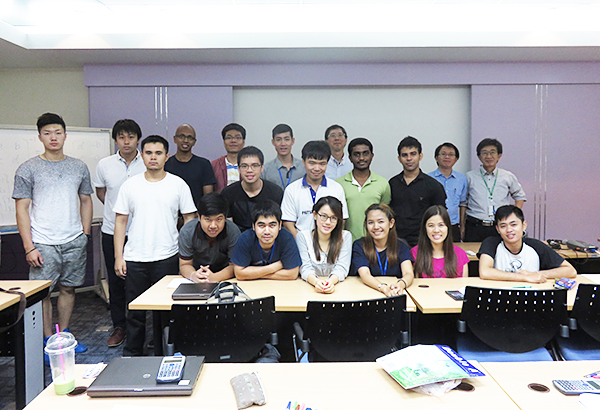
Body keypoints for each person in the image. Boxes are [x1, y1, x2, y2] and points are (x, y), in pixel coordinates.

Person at [13, 112, 93, 352]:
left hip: (73, 239)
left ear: (65, 135)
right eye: (47, 133)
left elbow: (86, 201)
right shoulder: (27, 168)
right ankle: (50, 341)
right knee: (43, 293)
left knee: (69, 288)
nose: (53, 137)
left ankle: (64, 335)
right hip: (43, 242)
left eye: (58, 132)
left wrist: (84, 234)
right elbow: (22, 208)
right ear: (40, 137)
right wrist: (29, 246)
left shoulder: (78, 166)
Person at [113, 135, 197, 356]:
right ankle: (133, 353)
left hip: (167, 256)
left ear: (166, 156)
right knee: (134, 312)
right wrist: (118, 256)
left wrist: (186, 255)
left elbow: (190, 220)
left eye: (158, 153)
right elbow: (120, 221)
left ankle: (166, 351)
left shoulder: (178, 184)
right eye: (149, 153)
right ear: (142, 156)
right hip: (135, 257)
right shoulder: (130, 185)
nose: (153, 157)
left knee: (167, 309)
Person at [94, 119, 146, 348]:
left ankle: (144, 329)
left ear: (138, 139)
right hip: (111, 231)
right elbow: (102, 193)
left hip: (141, 231)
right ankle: (120, 326)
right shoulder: (104, 164)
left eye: (131, 137)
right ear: (116, 140)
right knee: (116, 282)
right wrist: (119, 212)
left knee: (141, 282)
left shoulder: (147, 162)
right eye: (122, 137)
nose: (126, 141)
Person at [478, 205, 576, 283]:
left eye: (514, 225)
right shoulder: (491, 243)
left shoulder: (536, 246)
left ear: (524, 225)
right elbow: (485, 272)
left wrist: (536, 274)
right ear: (498, 229)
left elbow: (570, 271)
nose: (509, 230)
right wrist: (523, 277)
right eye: (503, 226)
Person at [461, 138, 527, 242]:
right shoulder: (469, 177)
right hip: (475, 226)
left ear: (499, 156)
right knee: (473, 256)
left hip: (499, 226)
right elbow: (463, 203)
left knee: (500, 255)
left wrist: (513, 217)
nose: (488, 156)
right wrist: (462, 226)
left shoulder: (507, 176)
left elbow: (520, 196)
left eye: (492, 152)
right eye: (484, 153)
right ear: (479, 156)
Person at [281, 140, 348, 237]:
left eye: (322, 164)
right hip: (300, 246)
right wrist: (303, 244)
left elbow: (342, 220)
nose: (317, 168)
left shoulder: (336, 188)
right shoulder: (292, 190)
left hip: (329, 246)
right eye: (312, 163)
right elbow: (288, 224)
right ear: (303, 162)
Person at [389, 136, 446, 247]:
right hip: (396, 242)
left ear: (420, 156)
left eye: (413, 154)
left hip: (424, 242)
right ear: (399, 158)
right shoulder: (392, 184)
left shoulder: (434, 186)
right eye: (405, 155)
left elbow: (440, 217)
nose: (409, 158)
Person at [351, 204, 414, 297]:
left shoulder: (401, 245)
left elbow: (408, 273)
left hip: (395, 293)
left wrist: (400, 285)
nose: (376, 227)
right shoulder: (359, 245)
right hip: (368, 294)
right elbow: (365, 275)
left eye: (380, 221)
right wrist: (383, 288)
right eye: (370, 222)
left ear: (391, 223)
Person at [231, 200, 301, 280]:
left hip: (280, 286)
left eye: (272, 225)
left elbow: (292, 274)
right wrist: (274, 267)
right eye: (261, 225)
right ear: (253, 226)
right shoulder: (245, 238)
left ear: (280, 225)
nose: (267, 231)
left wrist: (253, 274)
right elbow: (239, 274)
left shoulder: (287, 238)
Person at [178, 193, 241, 283]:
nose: (213, 226)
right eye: (208, 219)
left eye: (219, 219)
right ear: (199, 217)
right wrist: (193, 276)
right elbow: (184, 264)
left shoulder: (233, 231)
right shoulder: (187, 231)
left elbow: (234, 266)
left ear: (225, 217)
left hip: (224, 278)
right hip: (196, 276)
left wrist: (215, 277)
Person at [337, 137, 391, 241]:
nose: (361, 158)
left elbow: (385, 215)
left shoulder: (383, 183)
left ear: (372, 156)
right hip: (346, 243)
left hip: (376, 242)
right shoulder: (339, 184)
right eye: (357, 154)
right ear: (350, 158)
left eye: (365, 153)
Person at [296, 196, 352, 293]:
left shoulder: (345, 236)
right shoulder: (303, 237)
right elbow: (305, 268)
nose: (328, 222)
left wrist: (330, 283)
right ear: (315, 215)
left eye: (333, 218)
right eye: (324, 216)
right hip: (309, 288)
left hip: (337, 288)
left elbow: (342, 268)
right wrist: (316, 282)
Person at [221, 146, 284, 232]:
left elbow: (278, 226)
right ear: (238, 169)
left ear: (262, 168)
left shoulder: (276, 192)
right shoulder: (228, 193)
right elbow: (229, 228)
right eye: (244, 166)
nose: (249, 170)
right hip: (238, 240)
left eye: (254, 166)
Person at [411, 205, 469, 278]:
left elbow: (463, 285)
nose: (436, 230)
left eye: (441, 225)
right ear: (425, 228)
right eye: (431, 225)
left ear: (448, 227)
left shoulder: (460, 254)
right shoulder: (414, 253)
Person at [165, 123, 216, 206]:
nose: (185, 140)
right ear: (174, 139)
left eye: (190, 138)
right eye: (181, 136)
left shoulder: (204, 164)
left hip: (197, 215)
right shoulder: (165, 164)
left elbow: (208, 197)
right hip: (170, 214)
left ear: (194, 142)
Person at [428, 142, 468, 242]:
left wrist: (462, 227)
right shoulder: (428, 179)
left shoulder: (461, 179)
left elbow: (463, 204)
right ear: (436, 158)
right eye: (443, 154)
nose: (447, 157)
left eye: (451, 154)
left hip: (453, 225)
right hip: (433, 226)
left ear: (456, 159)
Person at [261, 123, 305, 190]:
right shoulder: (266, 170)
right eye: (278, 140)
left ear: (292, 141)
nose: (283, 144)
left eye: (287, 139)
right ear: (273, 142)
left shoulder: (303, 167)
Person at [211, 123, 246, 193]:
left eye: (238, 137)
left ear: (243, 142)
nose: (233, 141)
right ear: (224, 142)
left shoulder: (249, 165)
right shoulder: (213, 165)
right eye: (229, 137)